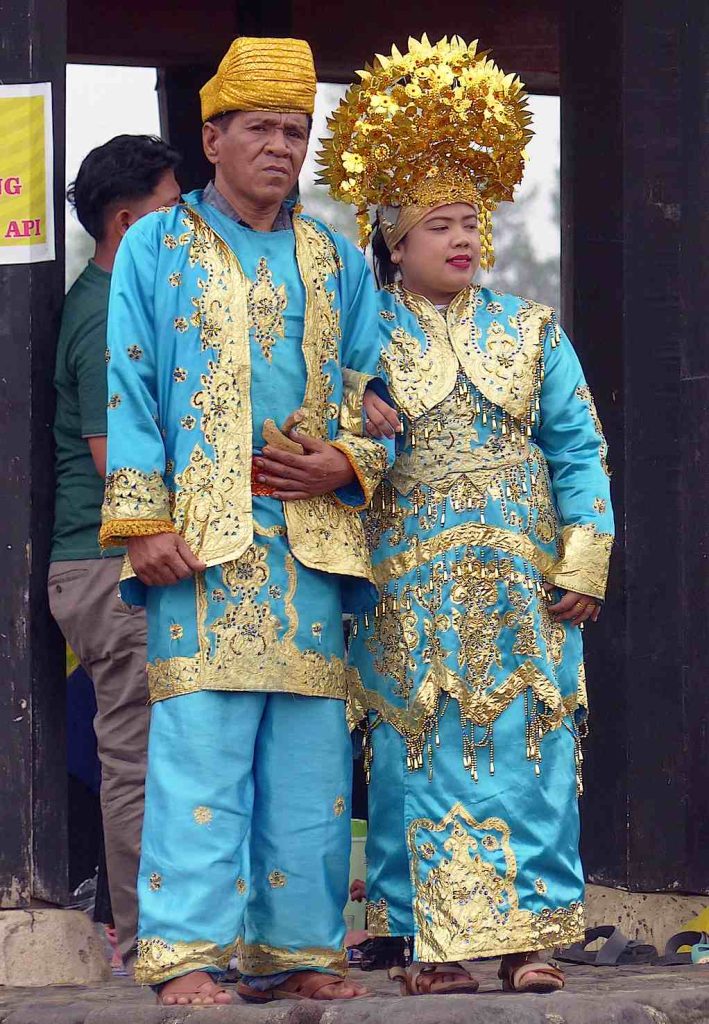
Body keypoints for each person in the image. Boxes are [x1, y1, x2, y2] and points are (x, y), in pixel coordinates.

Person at [99, 36, 391, 1006]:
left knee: (309, 766)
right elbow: (131, 388)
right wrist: (143, 520)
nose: (281, 147)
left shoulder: (336, 259)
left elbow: (373, 391)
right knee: (200, 752)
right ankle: (186, 954)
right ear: (211, 136)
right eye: (260, 128)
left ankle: (300, 949)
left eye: (295, 131)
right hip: (202, 549)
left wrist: (345, 456)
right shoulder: (157, 245)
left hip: (309, 548)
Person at [320, 35, 614, 995]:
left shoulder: (530, 332)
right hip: (410, 577)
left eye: (472, 222)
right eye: (438, 223)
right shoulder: (361, 337)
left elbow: (578, 447)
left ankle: (530, 941)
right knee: (419, 747)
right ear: (393, 240)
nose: (461, 238)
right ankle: (424, 947)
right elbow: (342, 446)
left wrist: (583, 557)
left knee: (532, 743)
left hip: (525, 578)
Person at [49, 134, 181, 971]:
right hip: (115, 562)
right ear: (127, 224)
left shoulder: (118, 303)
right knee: (140, 758)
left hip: (117, 560)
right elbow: (116, 462)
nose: (186, 230)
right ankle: (148, 944)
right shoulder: (104, 314)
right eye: (172, 212)